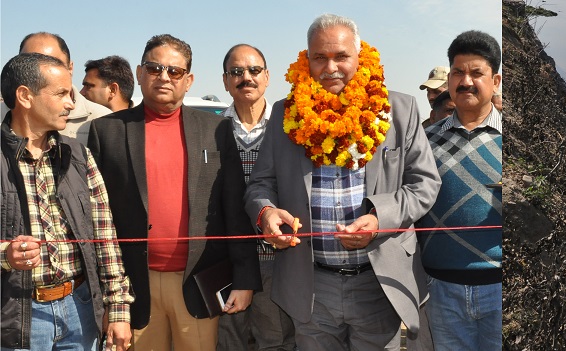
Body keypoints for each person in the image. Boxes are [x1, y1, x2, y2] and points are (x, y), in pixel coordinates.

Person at [245, 13, 440, 350]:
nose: (330, 67)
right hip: (311, 285)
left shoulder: (399, 109)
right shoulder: (284, 113)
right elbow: (260, 185)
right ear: (307, 60)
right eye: (320, 57)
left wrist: (380, 218)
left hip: (379, 283)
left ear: (360, 55)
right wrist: (265, 213)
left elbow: (425, 184)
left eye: (341, 56)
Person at [87, 34, 261, 351]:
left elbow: (234, 207)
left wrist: (245, 279)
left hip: (196, 281)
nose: (164, 77)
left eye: (175, 71)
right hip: (133, 287)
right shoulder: (106, 131)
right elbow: (95, 216)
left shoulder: (217, 129)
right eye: (155, 68)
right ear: (140, 73)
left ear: (188, 80)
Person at [0, 52, 134, 351]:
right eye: (61, 93)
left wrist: (118, 309)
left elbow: (105, 237)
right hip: (16, 317)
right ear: (25, 96)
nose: (71, 103)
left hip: (80, 310)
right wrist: (5, 255)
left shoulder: (77, 155)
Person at [418, 30, 503, 351]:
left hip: (500, 289)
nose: (466, 81)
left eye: (476, 73)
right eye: (458, 72)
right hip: (441, 289)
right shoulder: (424, 142)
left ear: (495, 81)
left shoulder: (518, 142)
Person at [216, 43, 297, 351]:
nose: (245, 78)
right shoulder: (211, 129)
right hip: (228, 261)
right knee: (228, 342)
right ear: (225, 81)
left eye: (253, 70)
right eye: (236, 72)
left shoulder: (292, 128)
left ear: (267, 77)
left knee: (277, 341)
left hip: (278, 259)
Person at [4, 32, 113, 142]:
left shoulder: (102, 120)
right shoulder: (2, 113)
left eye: (53, 62)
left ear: (70, 68)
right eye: (30, 62)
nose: (41, 68)